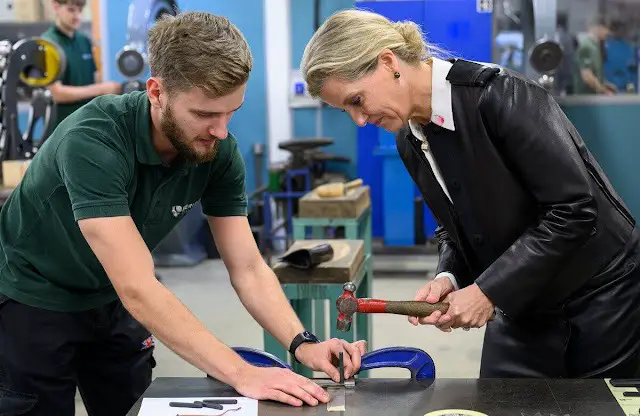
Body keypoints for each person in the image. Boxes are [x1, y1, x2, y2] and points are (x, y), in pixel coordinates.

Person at [0, 11, 365, 416]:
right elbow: (138, 286)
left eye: (232, 112)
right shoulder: (94, 141)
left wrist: (304, 343)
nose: (222, 131)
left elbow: (248, 268)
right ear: (157, 92)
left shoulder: (217, 150)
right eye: (206, 114)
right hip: (32, 297)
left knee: (133, 407)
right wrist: (243, 373)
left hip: (111, 298)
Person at [300, 9, 640, 378]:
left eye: (357, 101)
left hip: (602, 300)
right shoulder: (409, 138)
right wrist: (450, 276)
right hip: (521, 303)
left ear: (387, 63)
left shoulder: (501, 96)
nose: (359, 121)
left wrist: (488, 291)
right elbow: (456, 224)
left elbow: (574, 211)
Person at [42, 0, 122, 129]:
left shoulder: (84, 41)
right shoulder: (48, 44)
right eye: (71, 10)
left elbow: (95, 79)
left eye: (80, 11)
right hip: (62, 127)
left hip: (87, 123)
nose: (77, 16)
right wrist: (101, 89)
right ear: (56, 7)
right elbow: (56, 93)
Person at [574, 16, 616, 95]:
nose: (607, 32)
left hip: (593, 98)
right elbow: (587, 76)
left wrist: (605, 84)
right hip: (585, 100)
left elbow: (595, 74)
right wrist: (604, 91)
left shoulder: (595, 48)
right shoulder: (587, 46)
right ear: (596, 28)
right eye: (605, 28)